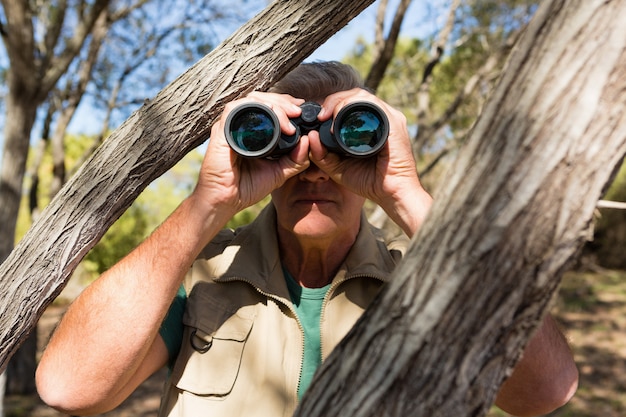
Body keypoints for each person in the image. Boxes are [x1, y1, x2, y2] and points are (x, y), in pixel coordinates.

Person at [36, 61, 578, 417]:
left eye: (349, 142)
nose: (316, 169)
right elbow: (68, 388)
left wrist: (408, 196)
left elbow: (544, 392)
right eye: (284, 144)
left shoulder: (431, 275)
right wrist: (208, 204)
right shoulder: (203, 273)